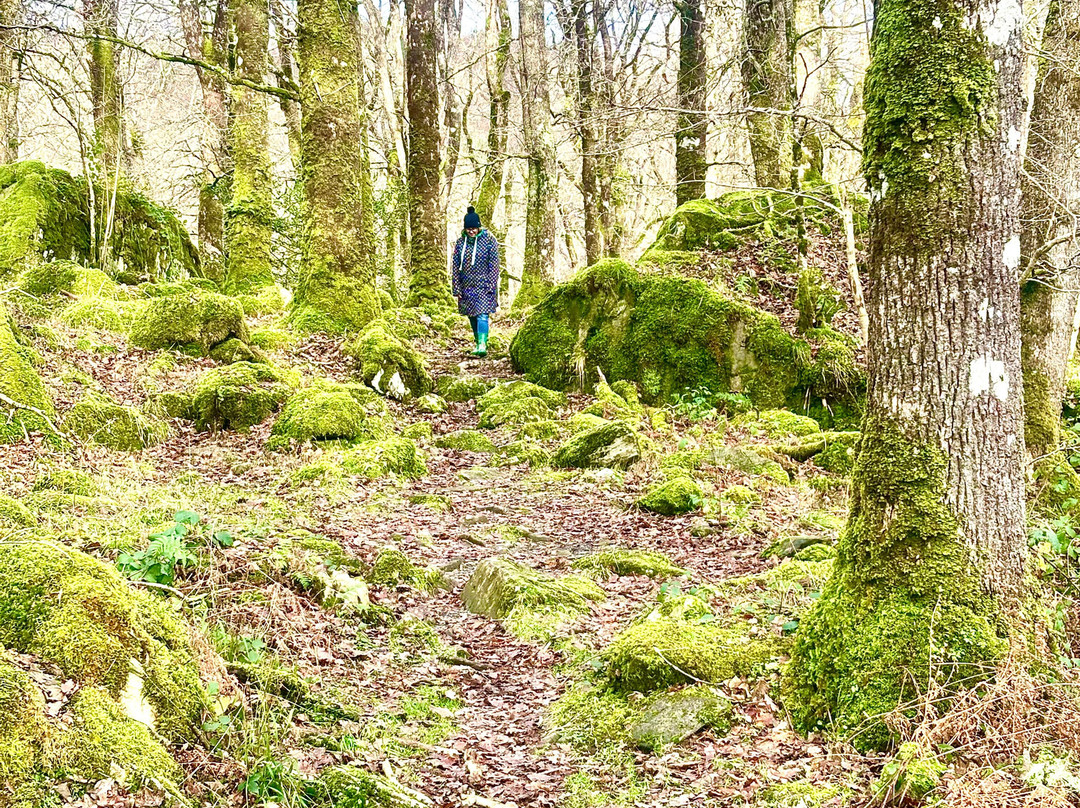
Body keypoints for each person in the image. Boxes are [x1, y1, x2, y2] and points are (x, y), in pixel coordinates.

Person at [451, 206, 500, 357]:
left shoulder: (489, 240)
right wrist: (456, 288)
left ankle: (482, 344)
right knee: (472, 315)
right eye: (468, 228)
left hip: (484, 285)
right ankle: (477, 341)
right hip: (467, 286)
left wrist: (491, 284)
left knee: (482, 315)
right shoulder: (460, 243)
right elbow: (455, 265)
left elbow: (494, 264)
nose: (471, 231)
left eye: (474, 228)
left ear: (479, 227)